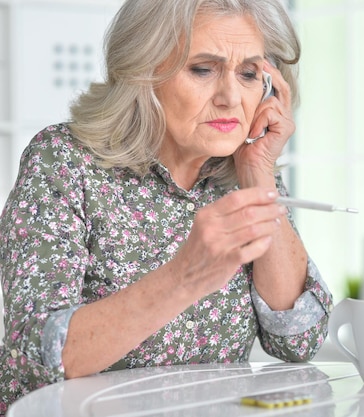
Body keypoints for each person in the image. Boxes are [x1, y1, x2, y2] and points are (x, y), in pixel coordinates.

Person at [0, 0, 333, 412]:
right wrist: (185, 277)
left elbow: (299, 339)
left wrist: (259, 169)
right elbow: (38, 356)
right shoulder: (65, 160)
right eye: (202, 69)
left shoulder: (244, 173)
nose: (230, 97)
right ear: (144, 72)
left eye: (248, 73)